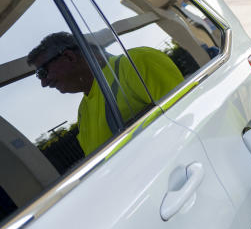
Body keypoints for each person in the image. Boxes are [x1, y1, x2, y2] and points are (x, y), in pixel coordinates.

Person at [28, 32, 184, 154]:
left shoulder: (136, 62)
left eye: (42, 72)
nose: (44, 83)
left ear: (69, 56)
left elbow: (182, 118)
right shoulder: (83, 112)